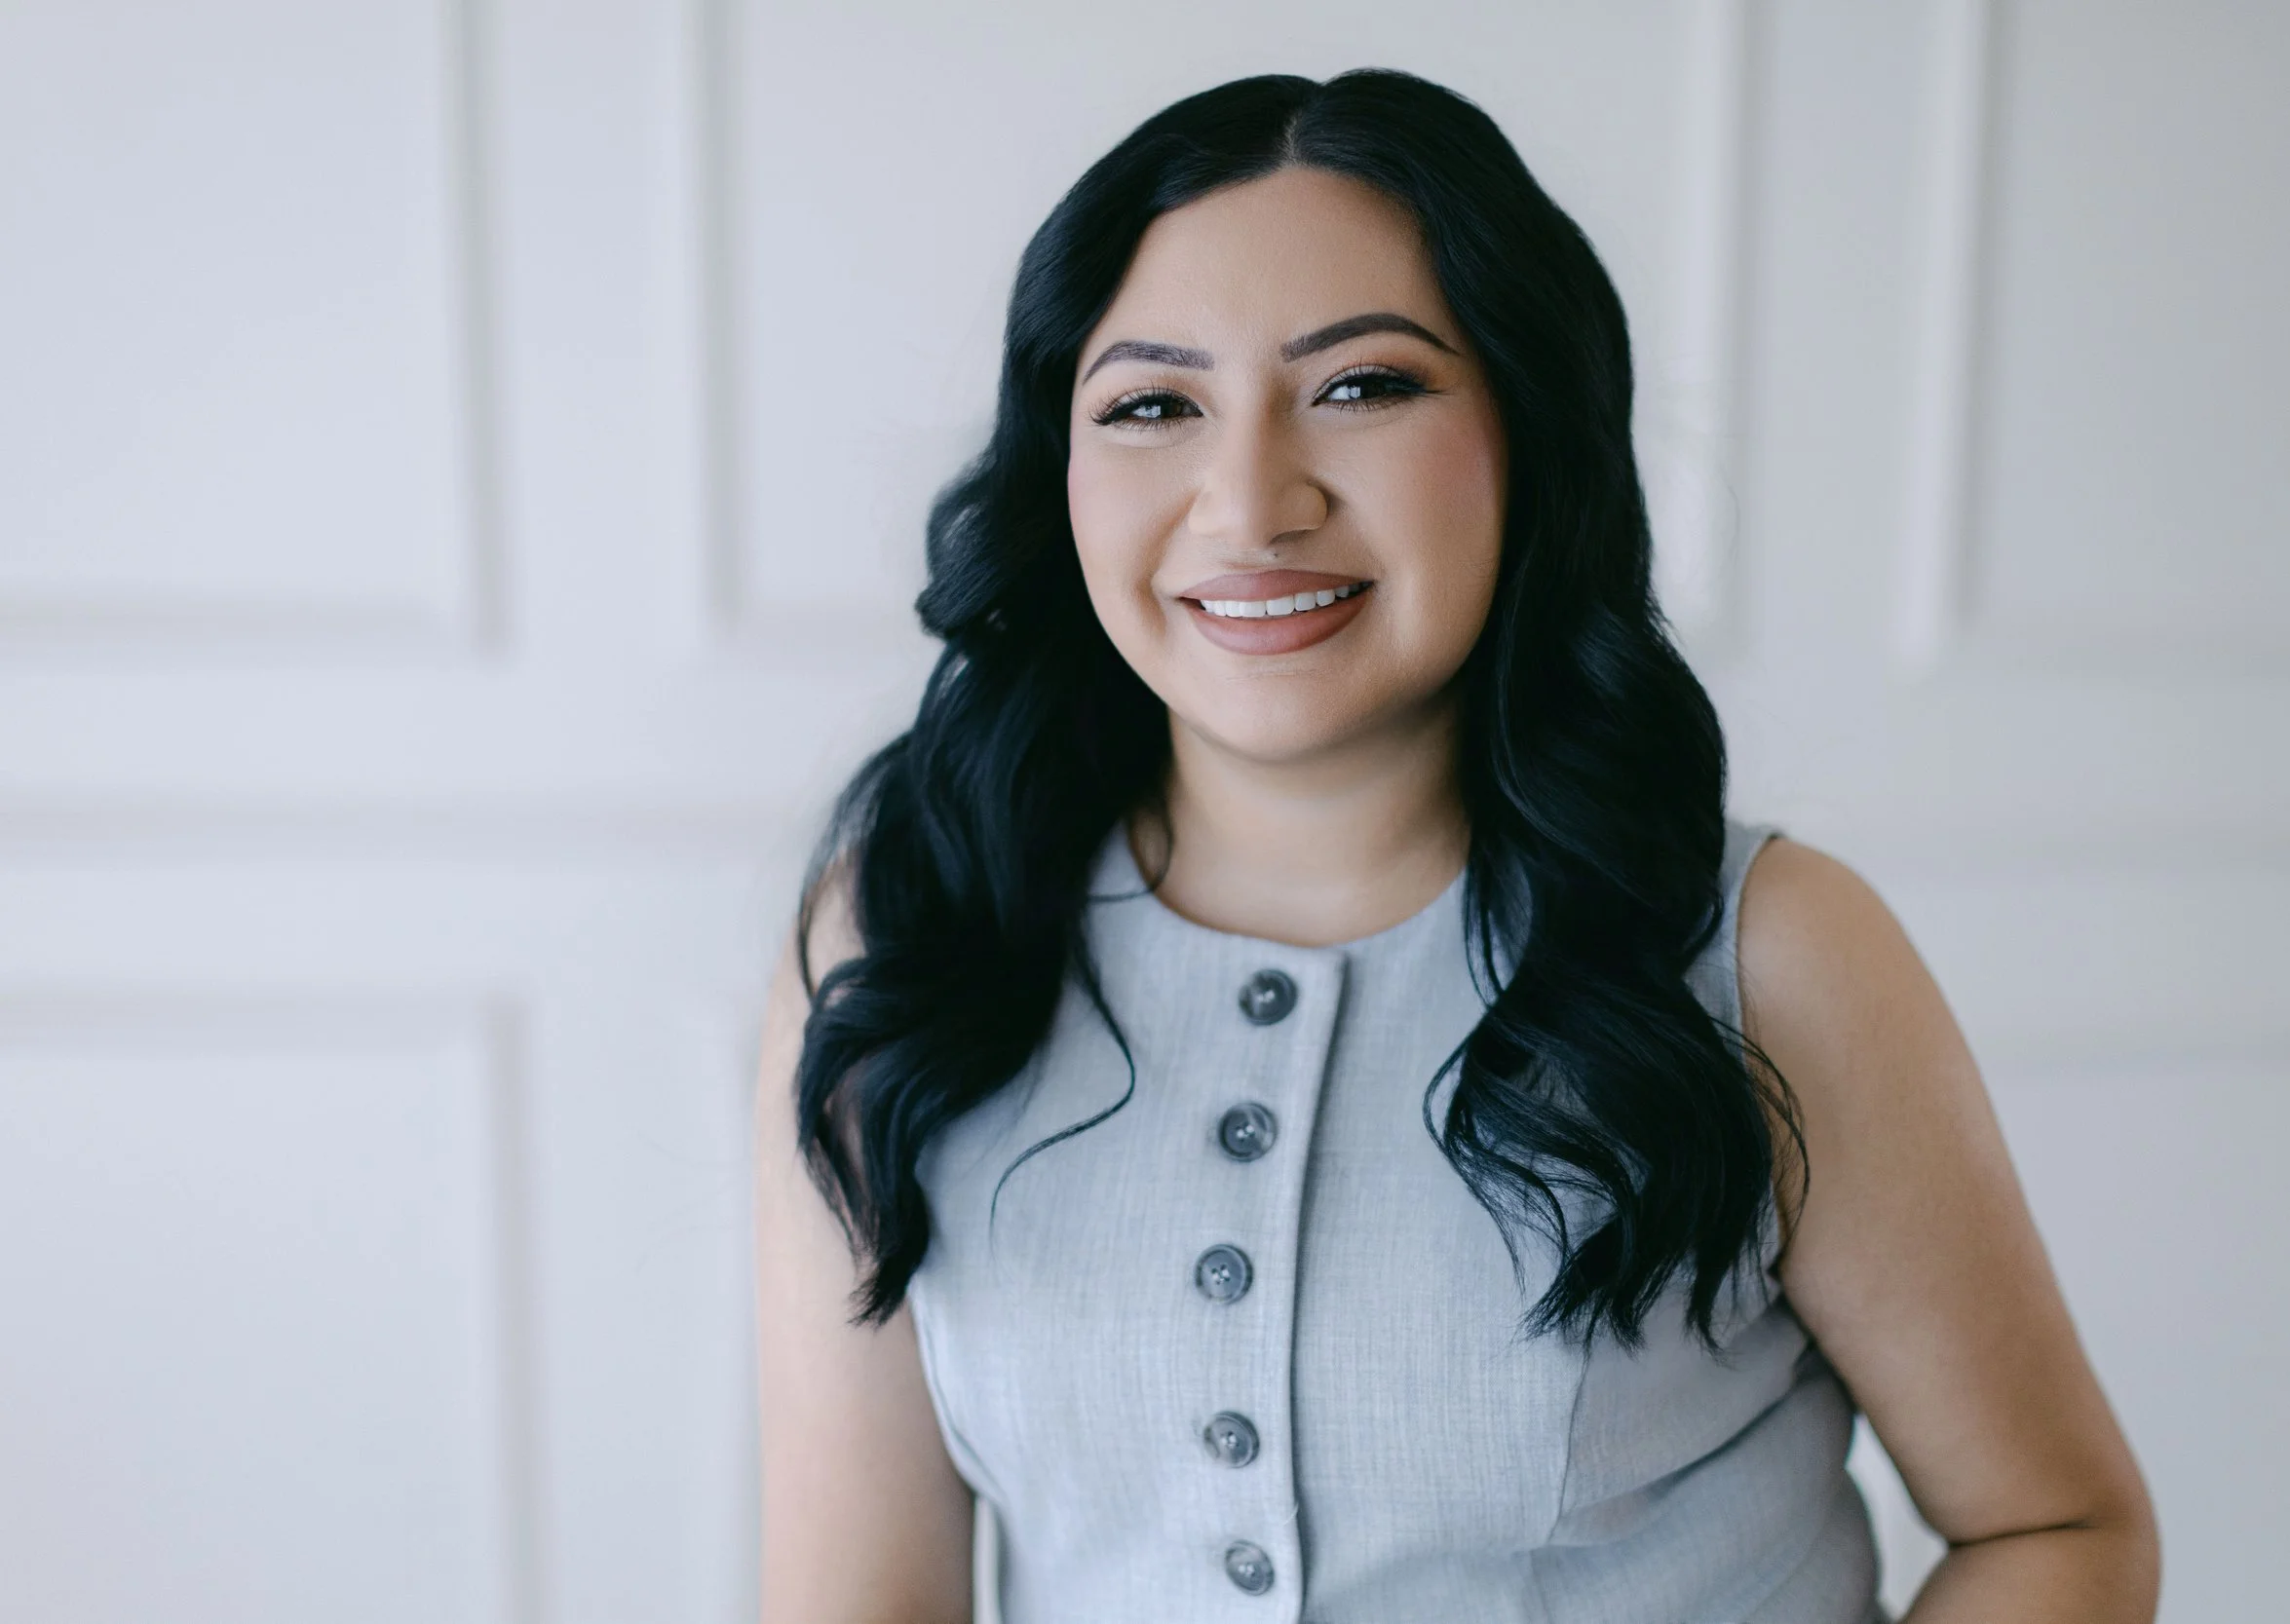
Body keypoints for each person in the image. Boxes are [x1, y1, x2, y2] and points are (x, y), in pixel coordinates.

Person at [752, 68, 2156, 1624]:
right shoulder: (907, 944)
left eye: (1363, 387)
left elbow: (2055, 1528)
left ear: (1528, 430)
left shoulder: (1772, 956)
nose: (1250, 503)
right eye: (1152, 404)